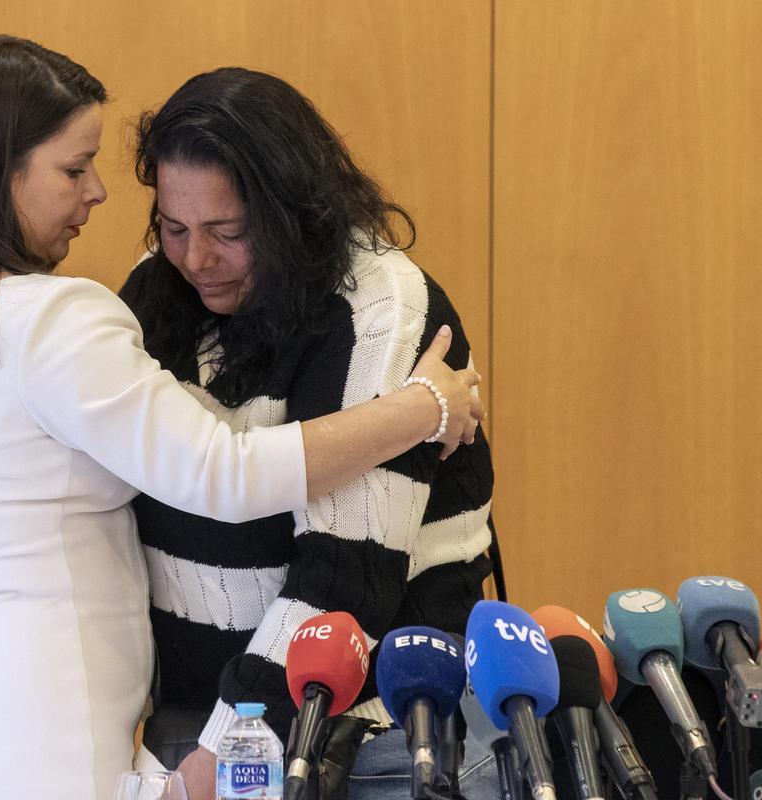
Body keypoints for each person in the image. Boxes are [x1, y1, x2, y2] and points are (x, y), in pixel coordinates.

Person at [0, 37, 483, 800]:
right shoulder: (55, 318)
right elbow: (223, 471)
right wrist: (423, 406)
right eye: (75, 169)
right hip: (44, 738)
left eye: (228, 231)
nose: (99, 194)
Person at [119, 68, 498, 799]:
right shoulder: (154, 285)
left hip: (373, 733)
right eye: (174, 227)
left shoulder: (380, 308)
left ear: (296, 214)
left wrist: (223, 752)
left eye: (228, 233)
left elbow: (344, 577)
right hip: (197, 717)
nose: (196, 259)